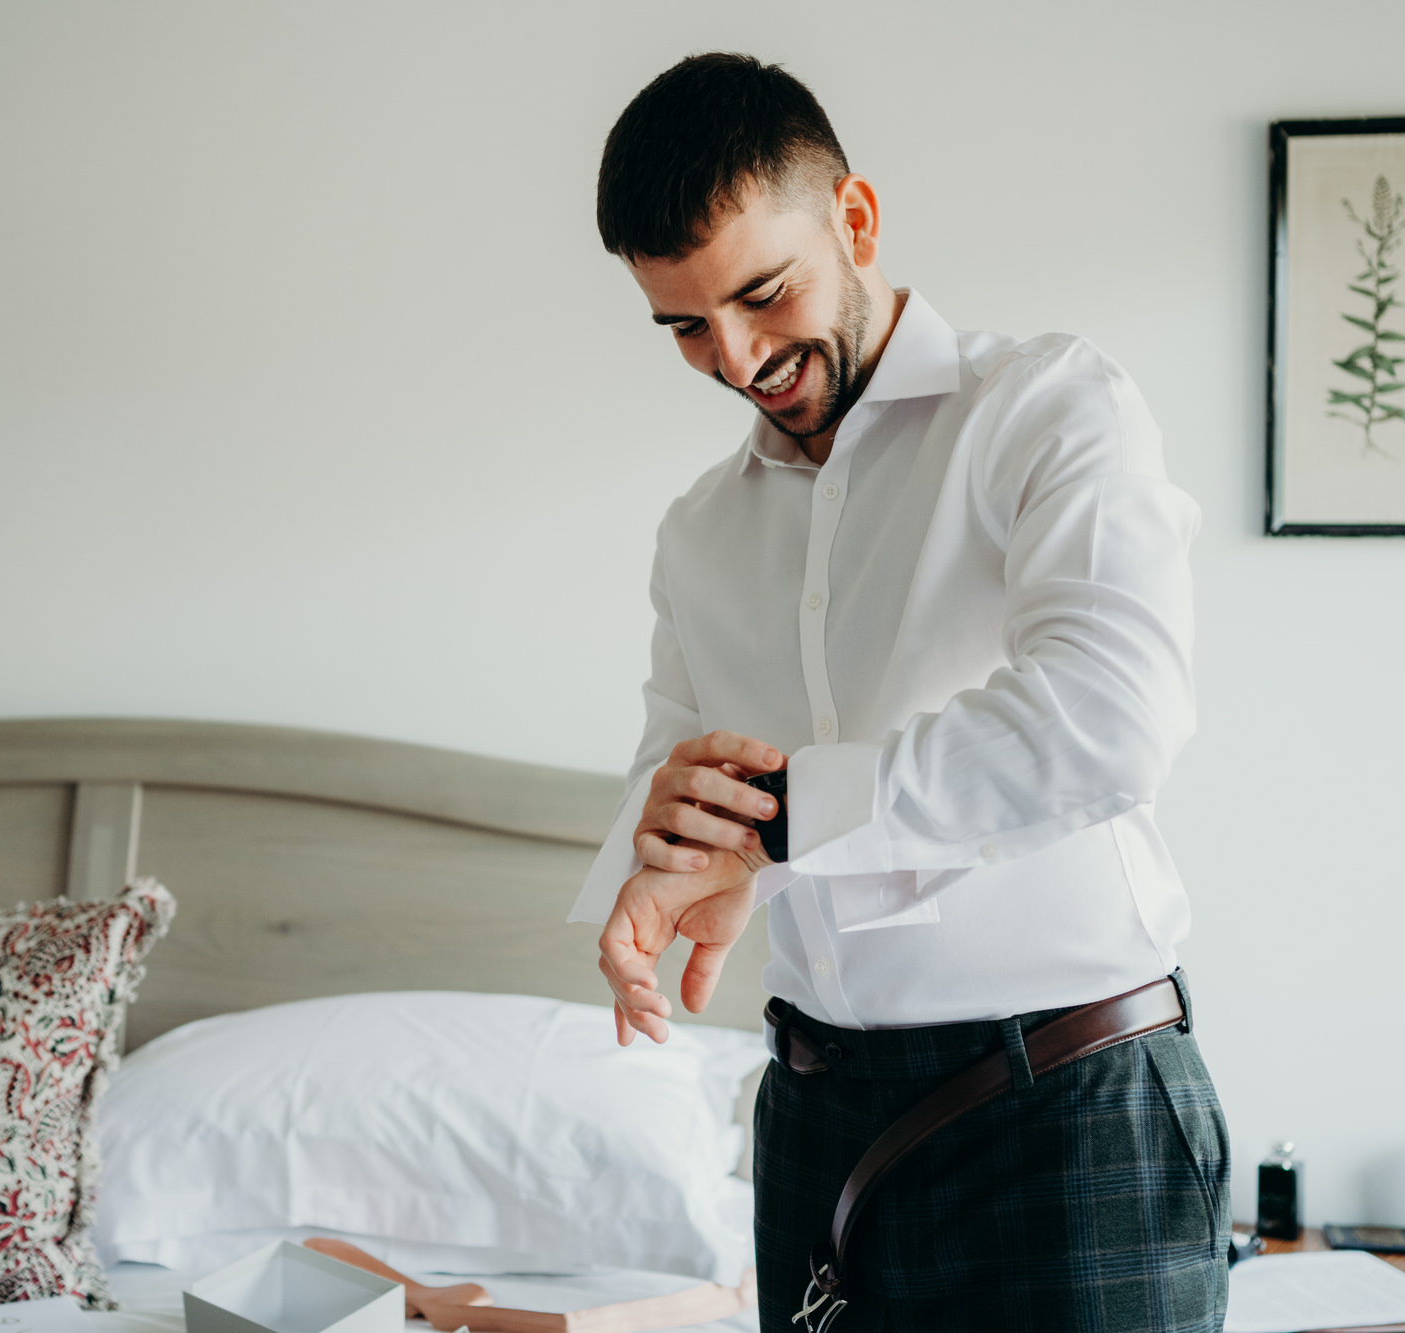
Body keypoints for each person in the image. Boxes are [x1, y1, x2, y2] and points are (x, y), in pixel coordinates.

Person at [566, 52, 1231, 1333]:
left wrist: (781, 815)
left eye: (762, 295)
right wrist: (659, 855)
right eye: (687, 327)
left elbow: (1107, 716)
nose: (738, 357)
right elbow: (690, 778)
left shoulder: (1047, 410)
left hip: (1071, 1115)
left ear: (853, 220)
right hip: (814, 1126)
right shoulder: (698, 534)